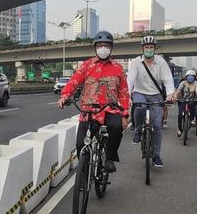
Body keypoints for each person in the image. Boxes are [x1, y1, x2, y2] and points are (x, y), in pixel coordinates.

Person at [57, 31, 130, 173]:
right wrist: (64, 96)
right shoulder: (86, 65)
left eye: (106, 45)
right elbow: (73, 82)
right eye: (100, 45)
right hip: (88, 112)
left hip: (110, 109)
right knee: (80, 144)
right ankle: (84, 173)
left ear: (111, 48)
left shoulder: (118, 68)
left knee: (116, 128)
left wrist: (125, 115)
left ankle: (109, 158)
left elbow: (124, 92)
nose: (103, 48)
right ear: (95, 47)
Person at [127, 36, 175, 167]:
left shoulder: (161, 62)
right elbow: (130, 80)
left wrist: (170, 94)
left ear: (154, 48)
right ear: (142, 49)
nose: (149, 49)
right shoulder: (136, 62)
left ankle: (156, 156)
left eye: (151, 47)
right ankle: (137, 130)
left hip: (156, 95)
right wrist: (126, 95)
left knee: (158, 126)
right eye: (146, 47)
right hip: (140, 92)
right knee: (140, 108)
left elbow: (168, 80)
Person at [174, 70, 197, 137]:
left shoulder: (196, 83)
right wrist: (175, 96)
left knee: (192, 105)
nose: (190, 77)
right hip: (182, 100)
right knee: (180, 114)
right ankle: (180, 129)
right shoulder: (183, 83)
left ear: (194, 77)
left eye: (192, 76)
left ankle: (192, 119)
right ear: (186, 77)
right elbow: (178, 90)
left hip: (192, 100)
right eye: (189, 76)